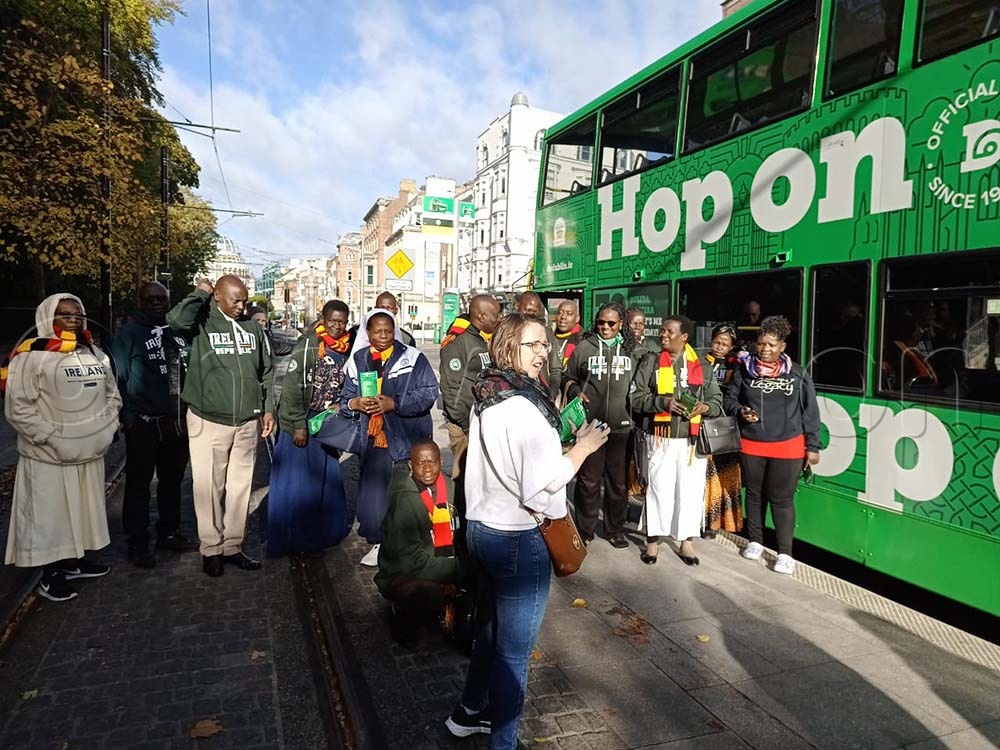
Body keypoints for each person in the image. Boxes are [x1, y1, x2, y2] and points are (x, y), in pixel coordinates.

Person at [446, 313, 610, 748]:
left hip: (482, 529)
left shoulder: (491, 393)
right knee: (514, 654)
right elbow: (541, 485)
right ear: (507, 348)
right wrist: (582, 449)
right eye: (531, 345)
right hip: (518, 537)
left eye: (544, 345)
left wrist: (551, 423)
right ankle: (504, 742)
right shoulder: (522, 407)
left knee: (491, 629)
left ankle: (468, 713)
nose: (542, 353)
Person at [4, 294, 120, 601]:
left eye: (77, 313)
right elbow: (18, 408)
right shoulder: (29, 357)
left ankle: (75, 560)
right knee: (50, 516)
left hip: (90, 451)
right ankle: (50, 573)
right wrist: (53, 438)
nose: (72, 318)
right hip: (49, 456)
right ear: (47, 318)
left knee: (82, 510)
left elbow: (112, 395)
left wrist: (106, 429)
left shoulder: (94, 353)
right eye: (64, 313)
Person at [167, 276, 275, 577]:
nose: (242, 306)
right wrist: (199, 293)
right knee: (208, 487)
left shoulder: (253, 329)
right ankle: (211, 548)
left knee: (240, 486)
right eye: (235, 300)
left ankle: (232, 545)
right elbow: (175, 320)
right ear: (217, 296)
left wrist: (268, 410)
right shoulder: (200, 323)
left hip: (246, 420)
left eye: (244, 300)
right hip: (208, 419)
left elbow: (266, 371)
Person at [341, 310, 439, 567]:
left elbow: (429, 393)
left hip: (407, 438)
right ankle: (380, 542)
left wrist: (395, 403)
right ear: (367, 333)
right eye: (377, 331)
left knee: (410, 493)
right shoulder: (359, 359)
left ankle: (419, 542)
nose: (383, 336)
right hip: (373, 440)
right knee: (376, 494)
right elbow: (346, 398)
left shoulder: (412, 357)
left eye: (388, 330)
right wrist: (355, 402)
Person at [724, 315, 820, 575]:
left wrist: (813, 445)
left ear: (783, 347)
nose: (765, 349)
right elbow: (729, 399)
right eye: (761, 344)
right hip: (752, 444)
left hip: (788, 445)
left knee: (782, 499)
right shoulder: (745, 370)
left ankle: (785, 554)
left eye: (771, 345)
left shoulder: (797, 374)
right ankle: (755, 541)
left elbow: (810, 410)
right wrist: (740, 411)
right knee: (754, 495)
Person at [112, 281, 191, 568]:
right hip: (145, 423)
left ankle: (169, 531)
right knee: (138, 485)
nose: (157, 303)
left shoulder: (179, 332)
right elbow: (118, 379)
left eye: (162, 298)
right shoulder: (128, 334)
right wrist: (129, 420)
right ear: (141, 301)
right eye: (151, 299)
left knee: (172, 482)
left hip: (177, 422)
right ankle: (137, 541)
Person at [631, 316, 722, 565]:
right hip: (660, 438)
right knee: (659, 490)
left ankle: (686, 543)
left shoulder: (702, 365)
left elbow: (717, 400)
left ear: (684, 337)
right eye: (661, 331)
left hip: (692, 443)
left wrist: (704, 407)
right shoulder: (650, 361)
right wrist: (662, 403)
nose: (663, 335)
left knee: (691, 493)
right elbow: (636, 398)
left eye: (669, 331)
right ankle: (652, 544)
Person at [268, 300, 351, 557]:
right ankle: (297, 539)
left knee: (323, 482)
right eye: (332, 320)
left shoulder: (346, 347)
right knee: (300, 485)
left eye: (342, 321)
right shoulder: (309, 344)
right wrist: (297, 425)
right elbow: (292, 386)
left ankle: (323, 534)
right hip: (303, 421)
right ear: (322, 318)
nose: (337, 326)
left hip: (326, 423)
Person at [562, 302, 639, 548]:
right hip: (590, 426)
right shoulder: (584, 348)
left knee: (617, 483)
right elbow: (568, 376)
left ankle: (615, 529)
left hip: (622, 427)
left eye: (611, 323)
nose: (605, 327)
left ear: (621, 325)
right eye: (601, 322)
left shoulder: (632, 350)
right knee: (589, 480)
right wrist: (574, 389)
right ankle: (585, 529)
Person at [375, 440, 466, 648]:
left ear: (441, 461)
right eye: (420, 463)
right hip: (406, 572)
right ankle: (402, 617)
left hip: (445, 561)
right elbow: (411, 561)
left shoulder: (452, 489)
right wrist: (458, 568)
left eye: (431, 462)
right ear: (410, 465)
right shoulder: (405, 501)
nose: (426, 469)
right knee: (426, 594)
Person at [439, 294, 501, 485]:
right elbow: (451, 388)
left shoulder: (483, 339)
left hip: (483, 421)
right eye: (495, 316)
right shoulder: (458, 342)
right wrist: (467, 423)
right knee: (465, 480)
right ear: (482, 317)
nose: (498, 320)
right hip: (465, 425)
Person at [703, 324, 743, 538]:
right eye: (717, 342)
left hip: (725, 429)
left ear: (732, 346)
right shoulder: (700, 362)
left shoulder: (737, 366)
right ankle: (699, 519)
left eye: (725, 344)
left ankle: (715, 522)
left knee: (721, 477)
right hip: (703, 426)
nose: (719, 347)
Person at [514, 292, 562, 401]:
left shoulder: (547, 333)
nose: (531, 315)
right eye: (528, 310)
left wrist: (551, 394)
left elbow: (555, 369)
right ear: (517, 307)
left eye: (535, 311)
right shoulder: (508, 332)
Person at [347, 291, 416, 348]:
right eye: (381, 307)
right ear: (375, 309)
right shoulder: (355, 333)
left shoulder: (407, 339)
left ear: (396, 310)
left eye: (389, 308)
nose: (385, 311)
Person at [553, 299, 582, 367]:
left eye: (569, 313)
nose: (563, 317)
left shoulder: (583, 340)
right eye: (560, 313)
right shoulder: (548, 338)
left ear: (577, 318)